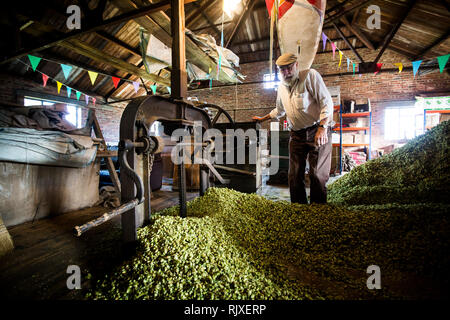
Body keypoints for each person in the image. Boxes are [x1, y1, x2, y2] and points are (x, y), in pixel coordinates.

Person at [253, 53, 334, 204]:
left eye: (289, 68)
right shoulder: (281, 87)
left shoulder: (310, 76)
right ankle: (298, 208)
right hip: (296, 135)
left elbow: (327, 103)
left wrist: (323, 128)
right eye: (282, 70)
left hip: (317, 130)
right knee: (295, 174)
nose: (286, 72)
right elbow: (279, 110)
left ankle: (319, 210)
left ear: (296, 65)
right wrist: (262, 119)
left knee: (317, 174)